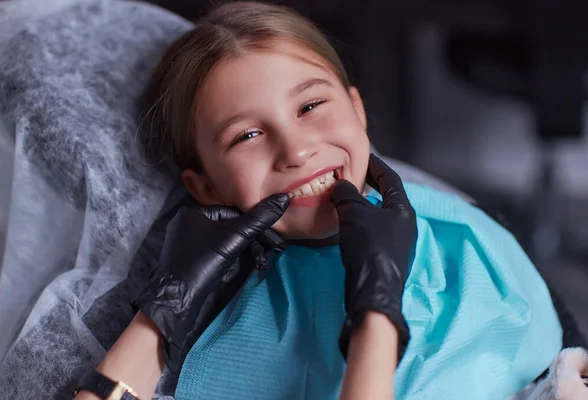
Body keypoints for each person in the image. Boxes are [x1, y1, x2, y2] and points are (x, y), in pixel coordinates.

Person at [73, 2, 562, 399]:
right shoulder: (235, 328)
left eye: (310, 106)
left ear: (357, 109)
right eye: (247, 135)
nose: (297, 149)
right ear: (205, 188)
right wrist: (162, 311)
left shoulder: (470, 239)